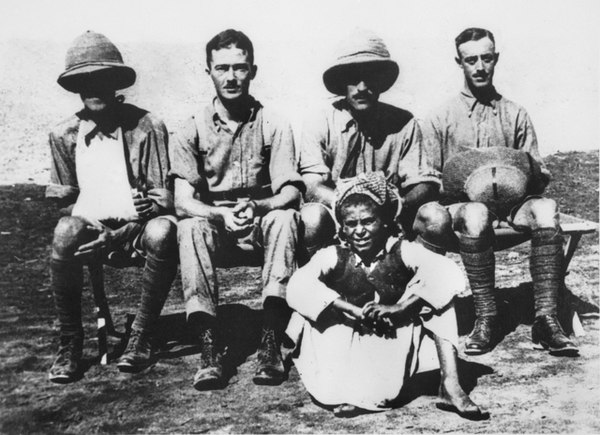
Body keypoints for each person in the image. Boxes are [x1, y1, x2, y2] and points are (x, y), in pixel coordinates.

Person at [418, 27, 578, 356]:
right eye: (471, 59)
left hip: (513, 207)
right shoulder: (440, 118)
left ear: (496, 60)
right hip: (464, 212)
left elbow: (537, 171)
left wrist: (527, 177)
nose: (479, 67)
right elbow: (430, 179)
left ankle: (546, 319)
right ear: (459, 62)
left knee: (546, 208)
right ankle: (486, 317)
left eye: (486, 58)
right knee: (476, 213)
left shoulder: (515, 113)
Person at [286, 172, 487, 419]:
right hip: (343, 338)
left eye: (368, 221)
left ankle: (450, 384)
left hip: (392, 337)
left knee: (438, 295)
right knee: (334, 387)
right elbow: (298, 285)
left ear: (384, 222)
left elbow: (449, 273)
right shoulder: (333, 255)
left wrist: (403, 307)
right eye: (351, 224)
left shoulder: (402, 250)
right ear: (343, 229)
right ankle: (354, 390)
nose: (359, 231)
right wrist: (348, 309)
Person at [171, 29, 303, 390]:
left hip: (260, 222)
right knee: (190, 227)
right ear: (209, 71)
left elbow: (290, 190)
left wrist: (258, 206)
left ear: (253, 71)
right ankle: (210, 344)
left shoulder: (273, 123)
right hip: (217, 226)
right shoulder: (190, 128)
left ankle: (271, 337)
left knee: (285, 218)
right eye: (222, 68)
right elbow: (182, 201)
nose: (231, 77)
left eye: (240, 68)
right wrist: (219, 214)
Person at [46, 31, 178, 383]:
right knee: (64, 231)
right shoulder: (65, 135)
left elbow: (162, 206)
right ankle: (71, 341)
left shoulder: (147, 128)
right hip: (92, 230)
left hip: (136, 232)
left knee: (164, 231)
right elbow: (65, 204)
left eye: (100, 77)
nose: (92, 88)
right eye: (82, 81)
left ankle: (142, 335)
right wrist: (92, 227)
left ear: (115, 81)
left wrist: (119, 232)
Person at [298, 30, 442, 258]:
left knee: (435, 216)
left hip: (392, 221)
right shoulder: (320, 122)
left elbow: (425, 183)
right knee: (311, 218)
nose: (362, 87)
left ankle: (423, 288)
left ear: (382, 81)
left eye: (371, 77)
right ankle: (317, 289)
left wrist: (398, 203)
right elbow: (311, 185)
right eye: (354, 78)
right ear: (341, 82)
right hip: (338, 222)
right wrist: (347, 204)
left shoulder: (404, 123)